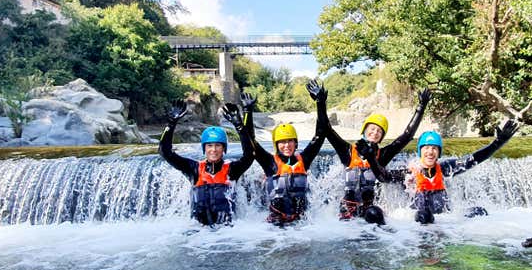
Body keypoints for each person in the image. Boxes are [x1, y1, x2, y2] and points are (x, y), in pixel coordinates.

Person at [317, 88, 432, 225]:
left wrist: (421, 107)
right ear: (364, 131)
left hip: (369, 211)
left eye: (379, 131)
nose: (375, 133)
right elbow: (327, 130)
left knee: (374, 213)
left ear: (381, 137)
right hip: (348, 210)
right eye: (372, 129)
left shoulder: (382, 155)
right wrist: (320, 103)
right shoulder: (347, 151)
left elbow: (407, 135)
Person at [376, 120, 519, 224]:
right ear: (420, 151)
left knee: (480, 211)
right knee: (424, 215)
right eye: (426, 148)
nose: (430, 152)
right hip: (419, 225)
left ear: (438, 153)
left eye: (434, 148)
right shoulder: (408, 173)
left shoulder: (445, 168)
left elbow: (473, 159)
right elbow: (383, 177)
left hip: (446, 221)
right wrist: (371, 159)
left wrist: (498, 143)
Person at [241, 79, 328, 225]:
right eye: (282, 142)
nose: (286, 145)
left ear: (296, 143)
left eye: (290, 141)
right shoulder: (269, 163)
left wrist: (320, 102)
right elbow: (250, 142)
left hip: (302, 224)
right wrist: (247, 112)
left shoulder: (304, 160)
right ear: (276, 144)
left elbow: (321, 134)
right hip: (276, 227)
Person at [159, 101, 254, 226]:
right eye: (209, 145)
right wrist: (171, 123)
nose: (213, 150)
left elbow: (250, 154)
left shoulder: (232, 170)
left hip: (227, 234)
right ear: (204, 148)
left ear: (224, 148)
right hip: (199, 235)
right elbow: (165, 152)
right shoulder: (194, 169)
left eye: (218, 145)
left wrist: (240, 127)